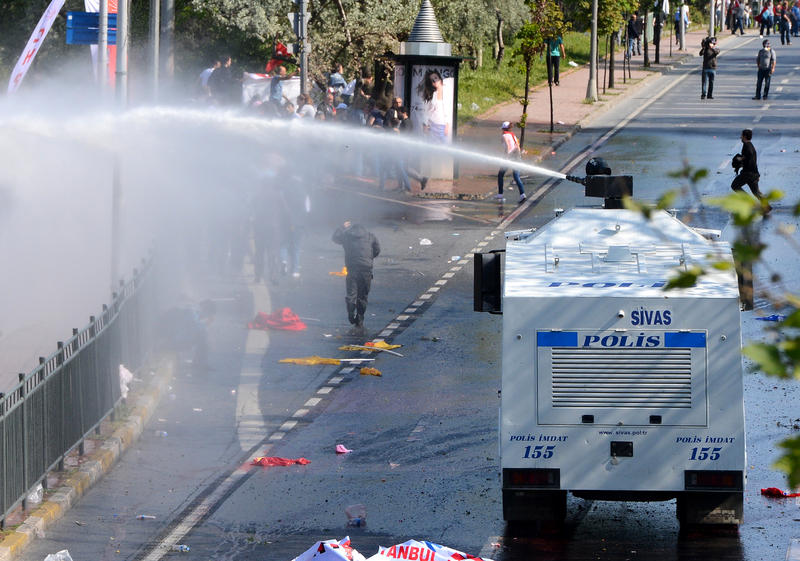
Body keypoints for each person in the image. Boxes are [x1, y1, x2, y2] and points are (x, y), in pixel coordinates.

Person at [332, 221, 380, 330]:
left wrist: (341, 227)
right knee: (363, 295)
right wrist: (369, 258)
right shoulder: (370, 236)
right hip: (366, 269)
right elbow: (377, 250)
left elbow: (335, 238)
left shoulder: (347, 236)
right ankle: (360, 317)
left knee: (351, 293)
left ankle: (350, 310)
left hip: (352, 268)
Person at [731, 129, 772, 214]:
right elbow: (751, 160)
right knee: (756, 192)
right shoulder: (750, 145)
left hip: (747, 173)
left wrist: (741, 158)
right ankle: (767, 206)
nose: (740, 137)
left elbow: (748, 156)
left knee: (734, 186)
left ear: (745, 136)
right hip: (753, 173)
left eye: (741, 135)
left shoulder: (747, 146)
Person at [496, 121, 527, 204]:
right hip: (516, 157)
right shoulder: (513, 135)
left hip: (509, 158)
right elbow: (517, 146)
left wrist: (506, 158)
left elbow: (508, 147)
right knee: (516, 177)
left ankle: (500, 194)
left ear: (503, 129)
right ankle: (522, 194)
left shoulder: (504, 136)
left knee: (500, 175)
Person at [419, 69, 450, 143]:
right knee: (433, 147)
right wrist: (425, 124)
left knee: (443, 146)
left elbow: (448, 110)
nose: (434, 81)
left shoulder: (447, 90)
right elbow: (427, 111)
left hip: (443, 125)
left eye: (436, 78)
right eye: (432, 80)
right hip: (432, 125)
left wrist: (447, 125)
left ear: (440, 78)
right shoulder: (433, 94)